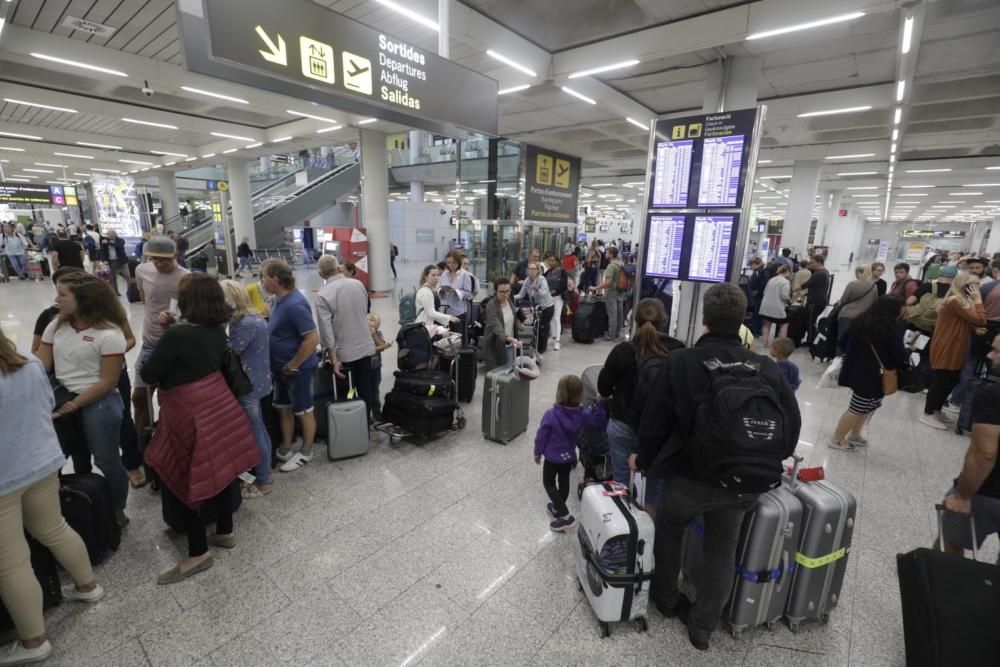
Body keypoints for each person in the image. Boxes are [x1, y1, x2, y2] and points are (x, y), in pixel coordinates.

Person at [636, 283, 800, 651]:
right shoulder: (765, 367)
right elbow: (790, 428)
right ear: (745, 320)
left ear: (705, 320)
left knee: (670, 531)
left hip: (689, 478)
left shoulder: (682, 361)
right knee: (722, 550)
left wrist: (646, 462)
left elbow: (654, 422)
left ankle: (666, 599)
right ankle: (703, 626)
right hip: (743, 484)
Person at [140, 274, 258, 585]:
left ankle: (198, 552)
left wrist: (164, 336)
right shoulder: (218, 331)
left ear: (188, 302)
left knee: (184, 474)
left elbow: (149, 371)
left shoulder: (177, 337)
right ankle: (225, 530)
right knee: (220, 468)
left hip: (188, 414)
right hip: (219, 407)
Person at [0, 326, 107, 666]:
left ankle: (34, 641)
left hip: (4, 479)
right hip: (42, 462)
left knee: (11, 562)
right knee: (54, 528)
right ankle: (88, 587)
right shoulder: (29, 363)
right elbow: (47, 403)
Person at [36, 273, 131, 526]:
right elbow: (42, 364)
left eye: (63, 294)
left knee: (107, 460)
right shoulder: (56, 325)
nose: (57, 299)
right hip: (63, 399)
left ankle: (117, 509)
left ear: (84, 299)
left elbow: (108, 381)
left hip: (99, 402)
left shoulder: (109, 334)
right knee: (58, 458)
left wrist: (74, 405)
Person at [599, 298, 684, 516]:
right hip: (660, 433)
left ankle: (624, 529)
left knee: (620, 478)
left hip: (623, 425)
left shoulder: (623, 351)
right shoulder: (678, 351)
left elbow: (604, 388)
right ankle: (649, 535)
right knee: (655, 488)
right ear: (664, 320)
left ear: (635, 320)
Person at [941, 333, 1000, 555]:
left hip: (986, 493)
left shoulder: (992, 395)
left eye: (996, 351)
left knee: (951, 549)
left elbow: (984, 453)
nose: (989, 355)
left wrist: (962, 496)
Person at [132, 236, 189, 459]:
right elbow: (146, 300)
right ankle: (142, 448)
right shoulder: (142, 270)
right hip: (150, 344)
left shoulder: (186, 278)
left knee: (173, 400)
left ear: (175, 256)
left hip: (176, 346)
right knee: (139, 397)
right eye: (154, 259)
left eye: (164, 260)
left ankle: (169, 443)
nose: (159, 264)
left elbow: (193, 314)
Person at [261, 259, 320, 472]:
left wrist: (293, 364)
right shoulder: (277, 300)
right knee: (283, 408)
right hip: (281, 370)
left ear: (276, 279)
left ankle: (306, 451)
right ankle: (286, 447)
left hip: (297, 370)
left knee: (304, 411)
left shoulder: (295, 304)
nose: (261, 280)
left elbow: (313, 339)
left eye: (263, 276)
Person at [829, 296, 909, 451]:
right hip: (875, 374)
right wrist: (908, 352)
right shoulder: (891, 327)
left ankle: (855, 434)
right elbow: (899, 355)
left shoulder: (860, 320)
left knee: (868, 405)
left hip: (856, 369)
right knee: (858, 407)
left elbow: (842, 343)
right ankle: (837, 439)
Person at [534, 375, 607, 533]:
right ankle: (557, 507)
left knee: (549, 483)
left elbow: (542, 435)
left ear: (560, 393)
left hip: (552, 458)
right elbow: (598, 422)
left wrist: (537, 453)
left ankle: (566, 516)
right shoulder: (582, 414)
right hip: (569, 456)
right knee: (564, 482)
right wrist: (600, 403)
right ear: (579, 394)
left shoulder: (551, 414)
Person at [220, 280, 273, 499]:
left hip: (248, 384)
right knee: (259, 427)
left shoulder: (244, 324)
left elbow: (230, 352)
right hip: (259, 380)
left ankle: (263, 480)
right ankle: (265, 473)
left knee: (256, 430)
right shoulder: (253, 317)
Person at [315, 255, 377, 424]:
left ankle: (350, 425)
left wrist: (334, 360)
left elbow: (326, 332)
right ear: (339, 268)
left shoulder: (323, 295)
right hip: (365, 346)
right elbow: (364, 312)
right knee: (366, 386)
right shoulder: (358, 285)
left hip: (344, 353)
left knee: (346, 391)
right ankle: (366, 421)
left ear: (321, 274)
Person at [921, 273, 987, 430]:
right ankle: (928, 413)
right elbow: (981, 319)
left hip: (955, 344)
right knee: (942, 381)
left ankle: (936, 410)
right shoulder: (956, 300)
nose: (980, 287)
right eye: (976, 284)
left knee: (951, 379)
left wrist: (973, 329)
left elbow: (962, 320)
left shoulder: (961, 300)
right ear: (966, 286)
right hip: (948, 345)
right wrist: (978, 301)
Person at [514, 261, 555, 359]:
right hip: (537, 308)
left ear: (538, 271)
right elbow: (521, 295)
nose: (531, 271)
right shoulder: (527, 280)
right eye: (529, 269)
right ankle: (535, 348)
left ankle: (541, 352)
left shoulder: (542, 279)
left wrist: (537, 289)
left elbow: (545, 293)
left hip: (547, 307)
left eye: (533, 269)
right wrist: (510, 297)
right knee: (536, 328)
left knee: (542, 329)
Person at [479, 277, 521, 371]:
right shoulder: (491, 306)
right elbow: (497, 326)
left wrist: (519, 324)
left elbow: (512, 315)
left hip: (509, 344)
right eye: (501, 292)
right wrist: (507, 338)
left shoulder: (509, 300)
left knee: (508, 373)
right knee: (496, 376)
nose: (505, 294)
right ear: (495, 291)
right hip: (494, 346)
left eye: (507, 291)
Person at [589, 246, 626, 341]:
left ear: (611, 254)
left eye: (607, 253)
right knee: (619, 315)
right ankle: (617, 334)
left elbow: (608, 282)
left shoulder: (611, 266)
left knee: (612, 316)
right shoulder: (621, 264)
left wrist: (595, 288)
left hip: (611, 293)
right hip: (620, 292)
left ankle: (611, 335)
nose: (605, 254)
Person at [836, 264, 878, 345]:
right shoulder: (874, 286)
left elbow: (844, 299)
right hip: (862, 318)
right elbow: (874, 302)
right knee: (855, 342)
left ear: (859, 272)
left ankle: (840, 357)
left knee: (842, 340)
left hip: (847, 315)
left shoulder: (852, 284)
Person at [794, 255, 830, 343]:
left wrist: (794, 290)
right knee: (810, 320)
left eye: (812, 263)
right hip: (818, 301)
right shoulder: (824, 272)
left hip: (815, 302)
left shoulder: (819, 274)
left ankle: (810, 341)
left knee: (810, 321)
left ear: (819, 262)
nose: (811, 265)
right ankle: (811, 339)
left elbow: (807, 284)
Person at [438, 251, 474, 337]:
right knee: (446, 339)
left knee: (457, 338)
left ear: (458, 262)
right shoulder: (444, 274)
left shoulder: (465, 275)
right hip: (446, 312)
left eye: (453, 263)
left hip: (459, 312)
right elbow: (438, 287)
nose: (451, 265)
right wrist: (442, 290)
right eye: (449, 262)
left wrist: (456, 291)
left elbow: (469, 294)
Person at [415, 265, 458, 331]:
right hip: (425, 326)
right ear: (426, 277)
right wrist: (449, 318)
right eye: (433, 275)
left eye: (438, 275)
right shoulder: (425, 292)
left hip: (431, 326)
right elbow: (431, 312)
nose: (436, 278)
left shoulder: (433, 290)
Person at [758, 264, 791, 347]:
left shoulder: (771, 280)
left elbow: (764, 292)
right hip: (777, 308)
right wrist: (789, 299)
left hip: (766, 307)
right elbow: (784, 295)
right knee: (784, 324)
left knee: (766, 325)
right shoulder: (785, 281)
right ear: (787, 272)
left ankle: (764, 343)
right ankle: (782, 345)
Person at [368, 313, 392, 422]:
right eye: (367, 319)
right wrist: (384, 346)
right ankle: (365, 414)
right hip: (364, 368)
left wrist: (374, 335)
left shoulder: (378, 334)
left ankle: (377, 413)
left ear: (376, 326)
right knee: (365, 391)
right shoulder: (362, 335)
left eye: (371, 320)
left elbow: (380, 346)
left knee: (375, 391)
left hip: (375, 368)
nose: (368, 321)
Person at [543, 252, 568, 351]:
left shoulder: (562, 272)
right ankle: (553, 337)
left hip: (558, 298)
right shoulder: (548, 272)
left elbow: (563, 286)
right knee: (551, 318)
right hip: (549, 298)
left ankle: (557, 341)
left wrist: (554, 291)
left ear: (557, 262)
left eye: (553, 260)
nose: (551, 262)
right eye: (549, 260)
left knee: (556, 317)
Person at [98, 230, 129, 296]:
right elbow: (102, 251)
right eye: (108, 234)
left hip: (122, 261)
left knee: (127, 276)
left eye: (110, 234)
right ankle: (115, 292)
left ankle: (130, 290)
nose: (109, 236)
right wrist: (104, 260)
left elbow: (118, 246)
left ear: (115, 234)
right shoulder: (104, 242)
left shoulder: (120, 240)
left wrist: (108, 243)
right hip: (112, 261)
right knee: (113, 277)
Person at [747, 256, 768, 337]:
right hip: (762, 296)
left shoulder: (757, 272)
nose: (750, 267)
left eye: (751, 265)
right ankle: (759, 331)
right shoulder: (764, 271)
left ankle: (754, 332)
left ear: (755, 264)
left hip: (756, 297)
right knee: (760, 315)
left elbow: (753, 285)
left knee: (755, 315)